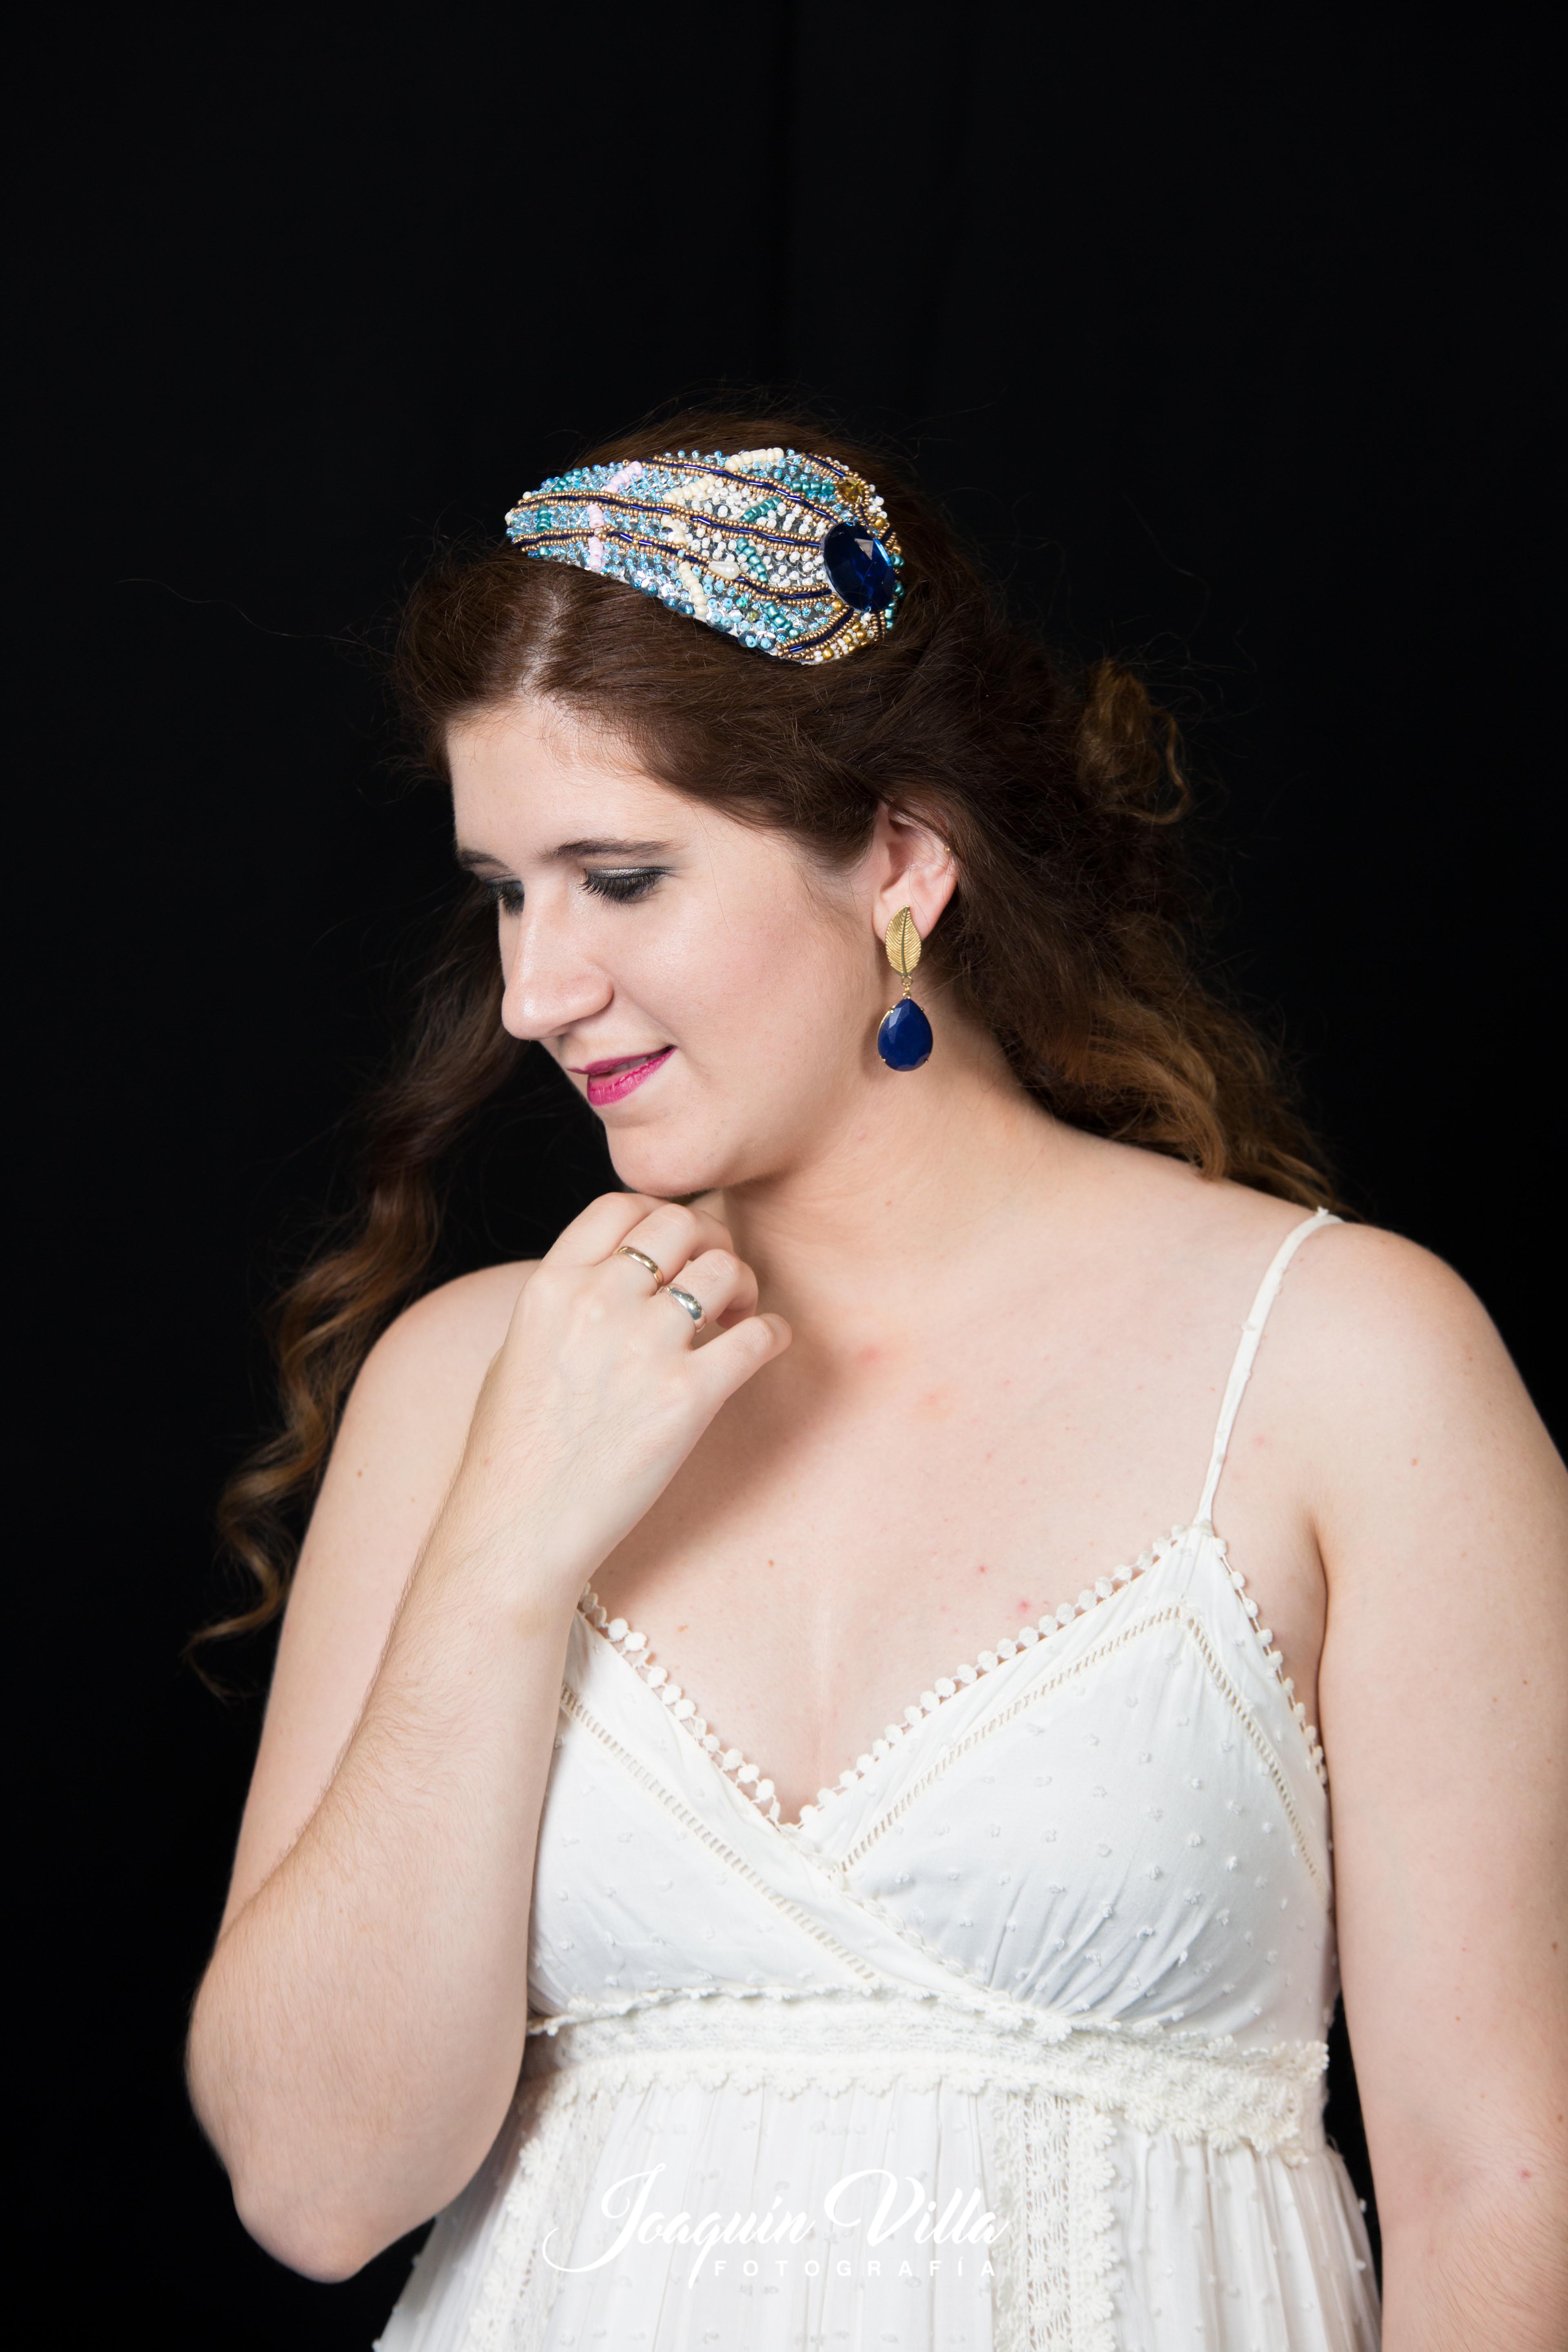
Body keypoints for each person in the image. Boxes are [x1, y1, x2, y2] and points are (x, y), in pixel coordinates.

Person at [186, 413, 1567, 2352]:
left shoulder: (1348, 1364)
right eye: (505, 890)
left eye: (619, 877)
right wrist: (504, 1550)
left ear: (902, 863)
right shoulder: (471, 1380)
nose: (533, 990)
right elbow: (316, 2189)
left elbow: (1504, 2189)